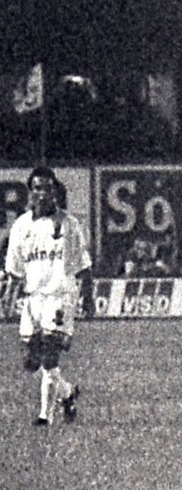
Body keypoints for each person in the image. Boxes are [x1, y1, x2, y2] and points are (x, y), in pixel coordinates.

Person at [4, 166, 93, 425]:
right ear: (30, 193)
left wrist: (88, 298)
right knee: (31, 362)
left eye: (48, 188)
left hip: (60, 295)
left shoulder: (69, 224)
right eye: (37, 188)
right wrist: (9, 298)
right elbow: (15, 269)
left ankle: (45, 416)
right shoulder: (21, 226)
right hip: (33, 299)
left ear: (55, 192)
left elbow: (83, 266)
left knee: (49, 354)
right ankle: (67, 394)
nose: (42, 193)